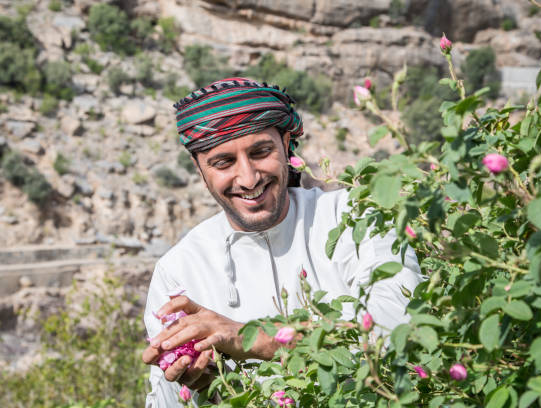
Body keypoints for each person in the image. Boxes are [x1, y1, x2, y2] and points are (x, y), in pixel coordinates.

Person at [141, 77, 422, 407]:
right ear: (198, 167)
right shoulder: (178, 270)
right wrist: (200, 382)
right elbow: (164, 401)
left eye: (260, 152)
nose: (248, 178)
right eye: (223, 162)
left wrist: (250, 339)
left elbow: (398, 328)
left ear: (286, 143)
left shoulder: (354, 216)